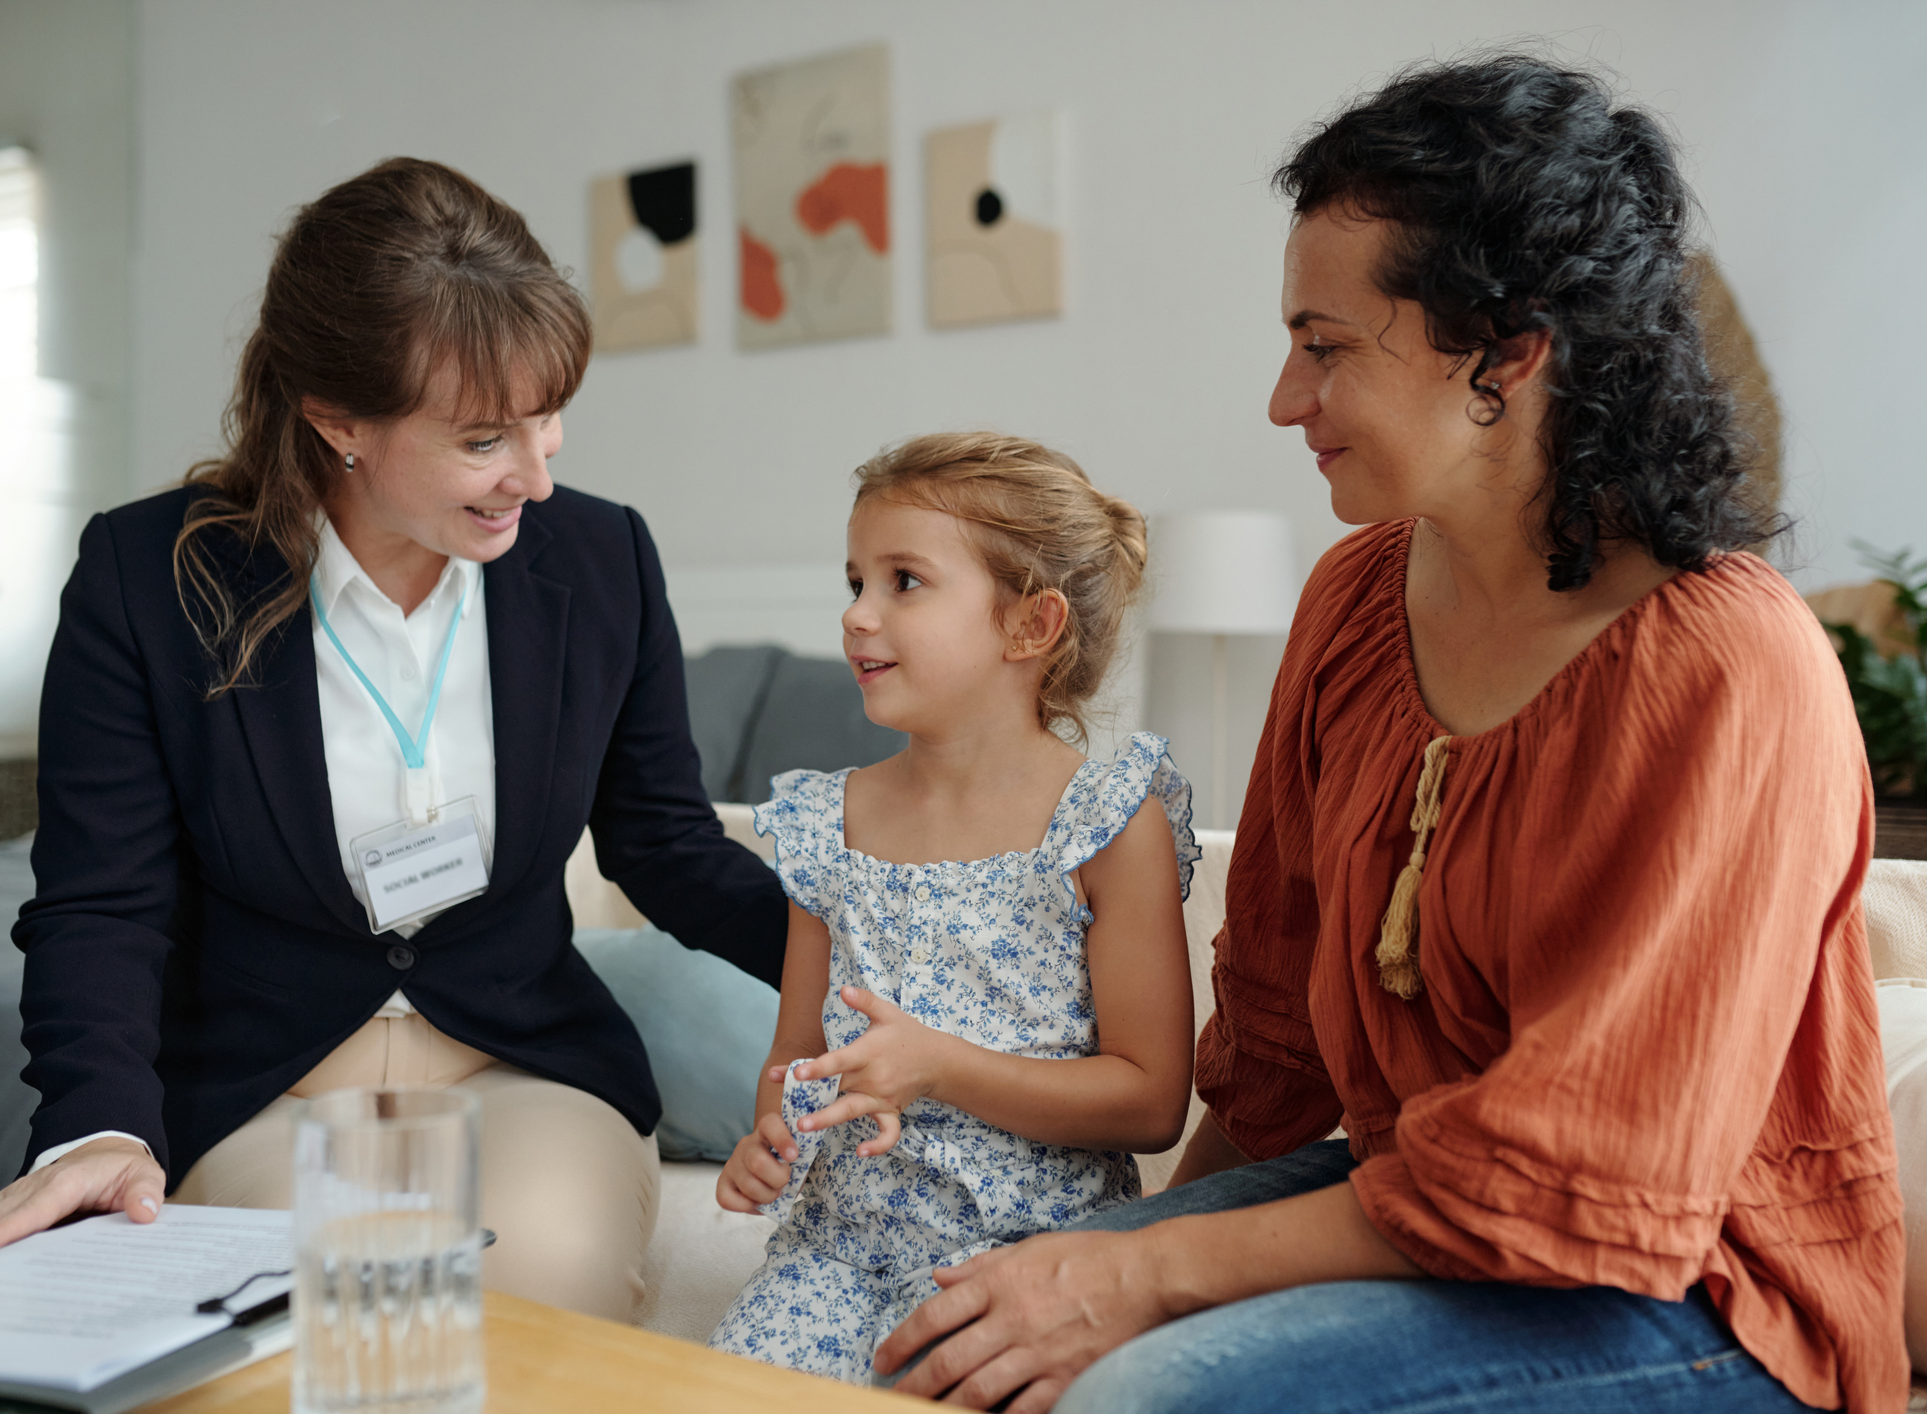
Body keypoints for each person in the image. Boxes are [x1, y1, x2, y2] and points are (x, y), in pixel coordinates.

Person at [874, 56, 1907, 1414]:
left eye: (1325, 347)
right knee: (950, 1327)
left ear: (1507, 353)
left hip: (1690, 1281)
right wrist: (1100, 1264)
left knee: (1145, 1392)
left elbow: (1598, 1175)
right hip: (1428, 1200)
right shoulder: (1354, 602)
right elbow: (1273, 1032)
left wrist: (1151, 1285)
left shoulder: (1726, 666)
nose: (1281, 401)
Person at [0, 158, 787, 1322]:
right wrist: (98, 1126)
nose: (537, 470)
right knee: (366, 1308)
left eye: (548, 417)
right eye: (483, 438)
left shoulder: (600, 560)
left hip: (520, 1063)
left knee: (546, 1283)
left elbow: (666, 842)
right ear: (338, 422)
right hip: (271, 1085)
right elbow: (101, 898)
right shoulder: (151, 577)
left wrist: (859, 958)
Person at [705, 433, 1200, 1383]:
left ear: (1030, 625)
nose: (856, 615)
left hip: (1029, 1257)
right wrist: (769, 1134)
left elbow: (1148, 1100)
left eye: (903, 582)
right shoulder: (824, 823)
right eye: (853, 581)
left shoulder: (1106, 823)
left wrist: (936, 1067)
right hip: (837, 1255)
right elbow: (793, 1056)